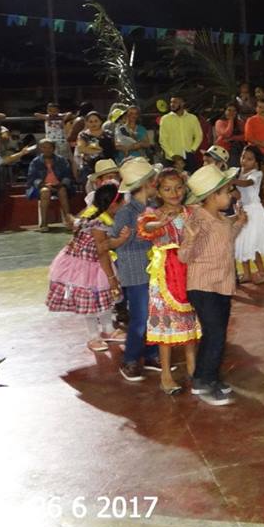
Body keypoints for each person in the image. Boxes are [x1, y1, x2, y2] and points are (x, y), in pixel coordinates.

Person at [178, 164, 247, 406]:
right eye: (227, 192)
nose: (231, 196)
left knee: (216, 334)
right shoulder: (198, 220)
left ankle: (206, 377)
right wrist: (190, 239)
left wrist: (239, 222)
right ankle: (204, 383)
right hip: (203, 285)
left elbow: (226, 239)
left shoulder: (220, 219)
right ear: (212, 196)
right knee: (215, 333)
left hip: (222, 283)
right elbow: (184, 256)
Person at [137, 168, 201, 395]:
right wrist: (159, 224)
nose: (174, 193)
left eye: (178, 188)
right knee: (166, 324)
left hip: (189, 272)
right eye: (167, 189)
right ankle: (165, 375)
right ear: (158, 192)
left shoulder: (191, 211)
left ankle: (193, 369)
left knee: (190, 322)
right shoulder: (153, 214)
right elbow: (144, 228)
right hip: (165, 275)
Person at [46, 183, 128, 353]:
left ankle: (108, 329)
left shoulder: (94, 214)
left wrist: (120, 240)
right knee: (91, 301)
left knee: (104, 298)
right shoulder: (99, 223)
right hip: (86, 267)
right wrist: (112, 278)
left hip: (93, 262)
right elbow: (102, 250)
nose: (125, 204)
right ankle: (93, 336)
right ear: (113, 205)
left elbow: (105, 244)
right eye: (122, 202)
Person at [110, 158, 160, 383]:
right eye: (153, 180)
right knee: (140, 318)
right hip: (135, 270)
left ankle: (151, 354)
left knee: (154, 314)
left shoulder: (153, 208)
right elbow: (116, 242)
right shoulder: (126, 212)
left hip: (153, 268)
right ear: (147, 183)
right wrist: (138, 234)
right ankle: (130, 359)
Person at [233, 145, 264, 285]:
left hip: (254, 212)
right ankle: (247, 274)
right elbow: (238, 193)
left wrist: (231, 181)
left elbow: (246, 183)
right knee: (242, 242)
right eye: (243, 157)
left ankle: (262, 272)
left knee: (252, 244)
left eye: (249, 159)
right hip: (242, 211)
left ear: (256, 162)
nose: (244, 161)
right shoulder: (238, 173)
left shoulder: (256, 174)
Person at [27, 139, 74, 232]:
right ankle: (44, 223)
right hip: (42, 186)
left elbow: (68, 175)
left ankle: (69, 221)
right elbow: (32, 178)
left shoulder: (61, 160)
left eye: (49, 147)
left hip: (59, 185)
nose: (47, 150)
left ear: (54, 148)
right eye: (44, 147)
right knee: (45, 192)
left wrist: (62, 184)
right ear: (40, 149)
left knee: (62, 191)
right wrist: (43, 184)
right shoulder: (35, 162)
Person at [158, 96, 203, 173]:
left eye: (175, 102)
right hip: (171, 159)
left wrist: (192, 149)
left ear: (182, 103)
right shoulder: (165, 119)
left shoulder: (192, 118)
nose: (172, 104)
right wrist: (172, 155)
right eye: (171, 102)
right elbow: (162, 140)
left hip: (189, 157)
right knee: (172, 179)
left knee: (191, 179)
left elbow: (199, 136)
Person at [76, 111, 116, 181]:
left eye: (96, 121)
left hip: (107, 167)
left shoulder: (109, 134)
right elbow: (81, 149)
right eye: (90, 122)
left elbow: (115, 147)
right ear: (86, 123)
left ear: (101, 122)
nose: (93, 123)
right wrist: (99, 150)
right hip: (89, 167)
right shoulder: (83, 135)